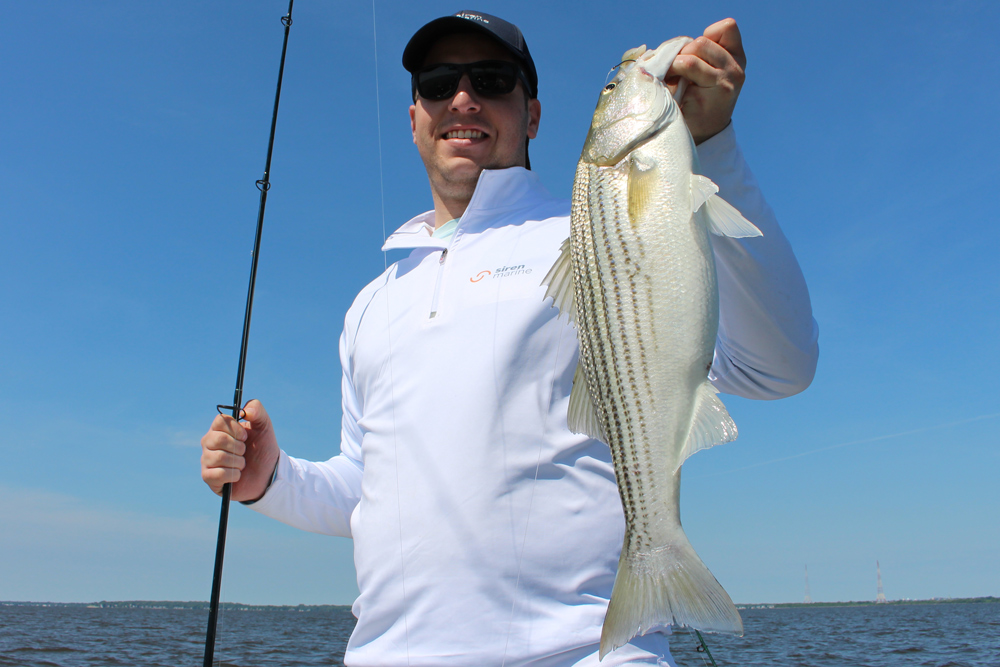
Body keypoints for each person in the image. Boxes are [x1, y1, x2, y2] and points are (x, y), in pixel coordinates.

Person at [200, 10, 818, 666]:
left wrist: (711, 143)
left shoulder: (590, 232)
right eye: (438, 83)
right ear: (414, 120)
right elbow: (364, 486)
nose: (463, 97)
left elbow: (778, 367)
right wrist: (272, 478)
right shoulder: (370, 306)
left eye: (492, 79)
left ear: (533, 116)